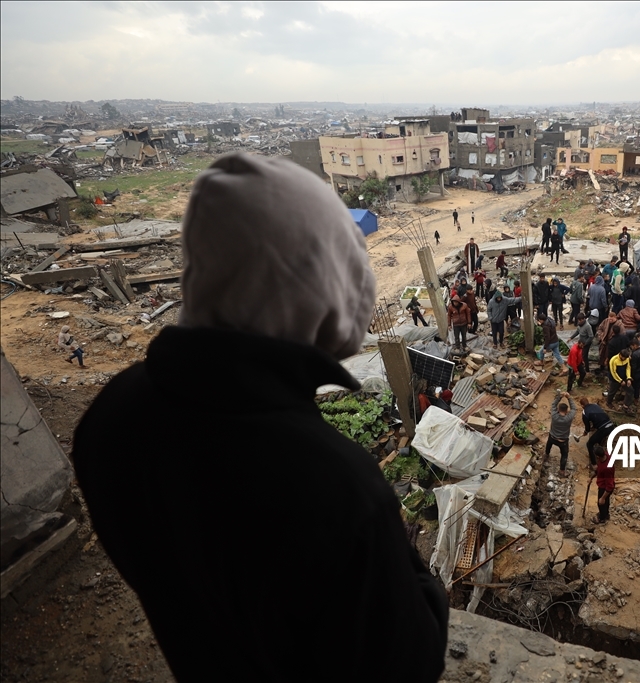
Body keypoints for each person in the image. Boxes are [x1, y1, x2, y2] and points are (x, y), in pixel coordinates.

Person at [71, 153, 448, 682]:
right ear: (321, 281)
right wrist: (410, 568)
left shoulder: (112, 415)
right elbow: (410, 661)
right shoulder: (332, 484)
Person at [579, 396, 615, 465]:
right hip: (611, 425)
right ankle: (600, 448)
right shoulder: (595, 405)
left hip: (604, 429)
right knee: (598, 437)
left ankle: (594, 464)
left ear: (582, 406)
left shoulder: (584, 413)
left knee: (589, 444)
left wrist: (585, 432)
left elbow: (587, 428)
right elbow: (598, 417)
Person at [547, 392, 576, 475]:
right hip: (563, 441)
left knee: (549, 444)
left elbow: (553, 405)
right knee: (564, 455)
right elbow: (574, 409)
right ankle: (562, 470)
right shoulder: (568, 418)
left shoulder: (554, 415)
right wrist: (569, 397)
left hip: (552, 437)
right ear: (567, 411)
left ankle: (546, 455)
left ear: (558, 409)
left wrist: (560, 396)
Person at [592, 445, 615, 524]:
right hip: (605, 484)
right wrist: (592, 477)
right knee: (606, 502)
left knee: (601, 503)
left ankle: (602, 518)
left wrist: (603, 497)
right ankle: (606, 514)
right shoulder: (606, 456)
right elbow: (599, 469)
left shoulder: (607, 469)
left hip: (605, 488)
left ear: (598, 457)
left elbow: (610, 486)